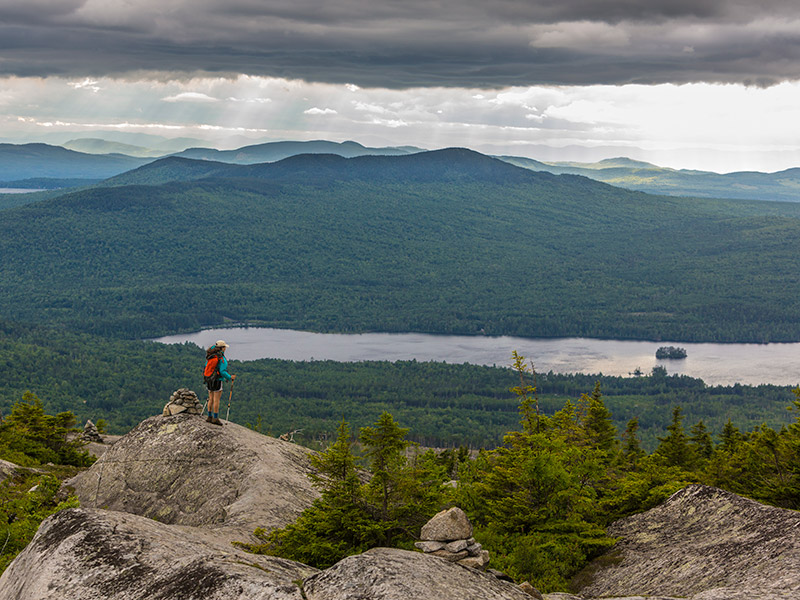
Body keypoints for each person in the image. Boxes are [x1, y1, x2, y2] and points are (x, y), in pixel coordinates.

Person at [204, 340, 236, 425]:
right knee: (216, 399)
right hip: (217, 380)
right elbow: (222, 371)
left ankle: (209, 416)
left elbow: (206, 366)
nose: (225, 348)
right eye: (225, 347)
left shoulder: (210, 356)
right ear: (222, 348)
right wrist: (230, 377)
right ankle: (215, 418)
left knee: (210, 398)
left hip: (209, 379)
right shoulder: (221, 358)